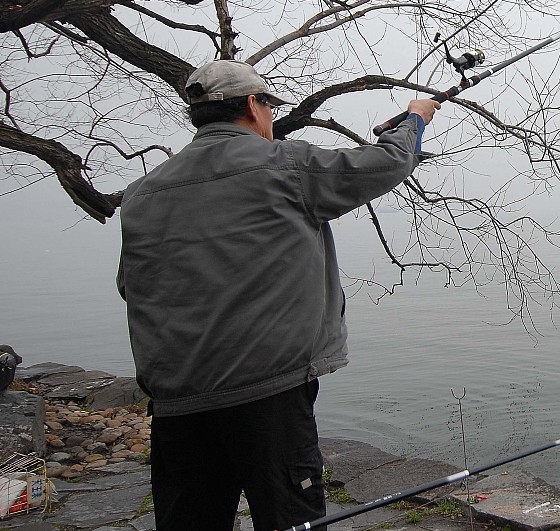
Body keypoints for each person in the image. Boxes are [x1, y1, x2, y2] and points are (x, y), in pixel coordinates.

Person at [117, 59, 439, 531]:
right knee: (290, 520)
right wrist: (414, 119)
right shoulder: (285, 166)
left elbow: (131, 285)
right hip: (267, 395)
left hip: (177, 402)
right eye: (269, 106)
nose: (271, 117)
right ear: (252, 105)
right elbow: (386, 163)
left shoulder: (141, 193)